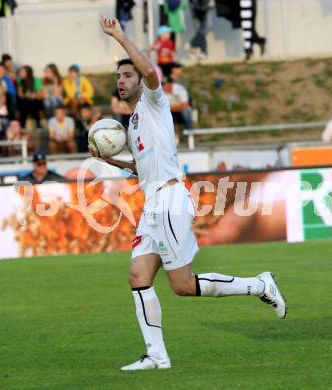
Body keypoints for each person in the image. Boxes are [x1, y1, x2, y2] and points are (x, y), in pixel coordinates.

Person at [92, 17, 287, 371]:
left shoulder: (153, 102)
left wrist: (120, 36)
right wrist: (106, 157)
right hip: (153, 203)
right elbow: (140, 169)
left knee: (182, 285)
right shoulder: (134, 121)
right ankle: (156, 356)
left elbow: (150, 71)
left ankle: (259, 285)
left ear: (138, 78)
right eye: (118, 77)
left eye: (126, 75)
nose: (121, 81)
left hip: (169, 200)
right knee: (138, 277)